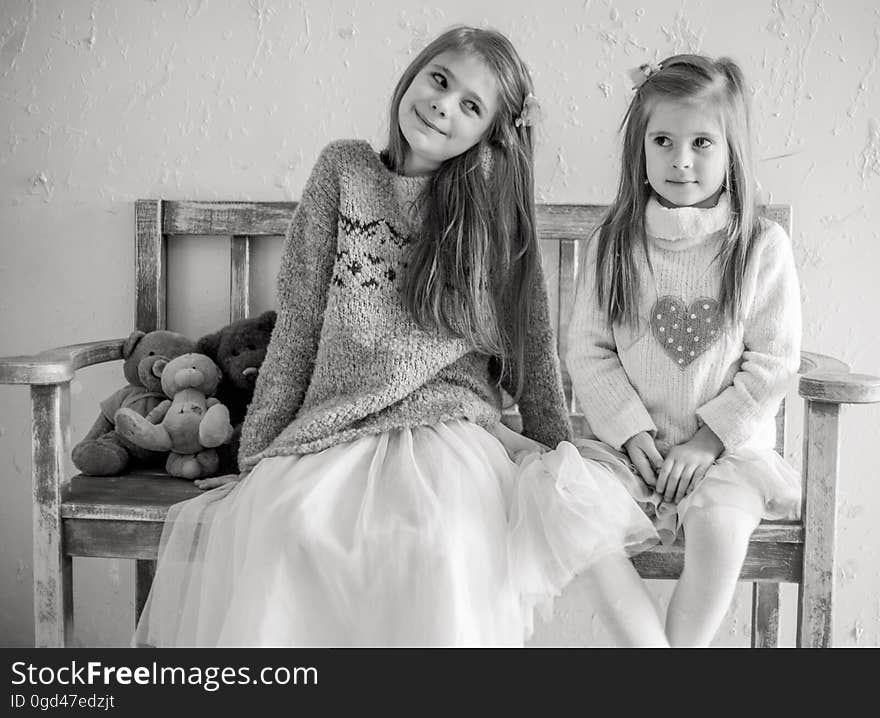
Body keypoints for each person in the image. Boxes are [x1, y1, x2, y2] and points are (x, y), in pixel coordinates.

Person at [134, 26, 665, 648]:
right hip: (336, 424)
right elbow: (299, 324)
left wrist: (553, 447)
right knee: (293, 526)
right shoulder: (344, 171)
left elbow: (529, 340)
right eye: (440, 81)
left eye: (471, 106)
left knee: (440, 541)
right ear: (414, 73)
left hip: (453, 430)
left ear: (489, 133)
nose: (444, 105)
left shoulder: (485, 203)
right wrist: (256, 457)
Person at [566, 54, 802, 647]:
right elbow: (589, 353)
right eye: (663, 140)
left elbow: (773, 363)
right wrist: (631, 433)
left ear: (731, 152)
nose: (681, 159)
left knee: (721, 530)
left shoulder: (759, 247)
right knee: (570, 509)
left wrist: (706, 440)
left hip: (725, 455)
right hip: (633, 453)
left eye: (702, 141)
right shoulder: (614, 245)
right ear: (639, 150)